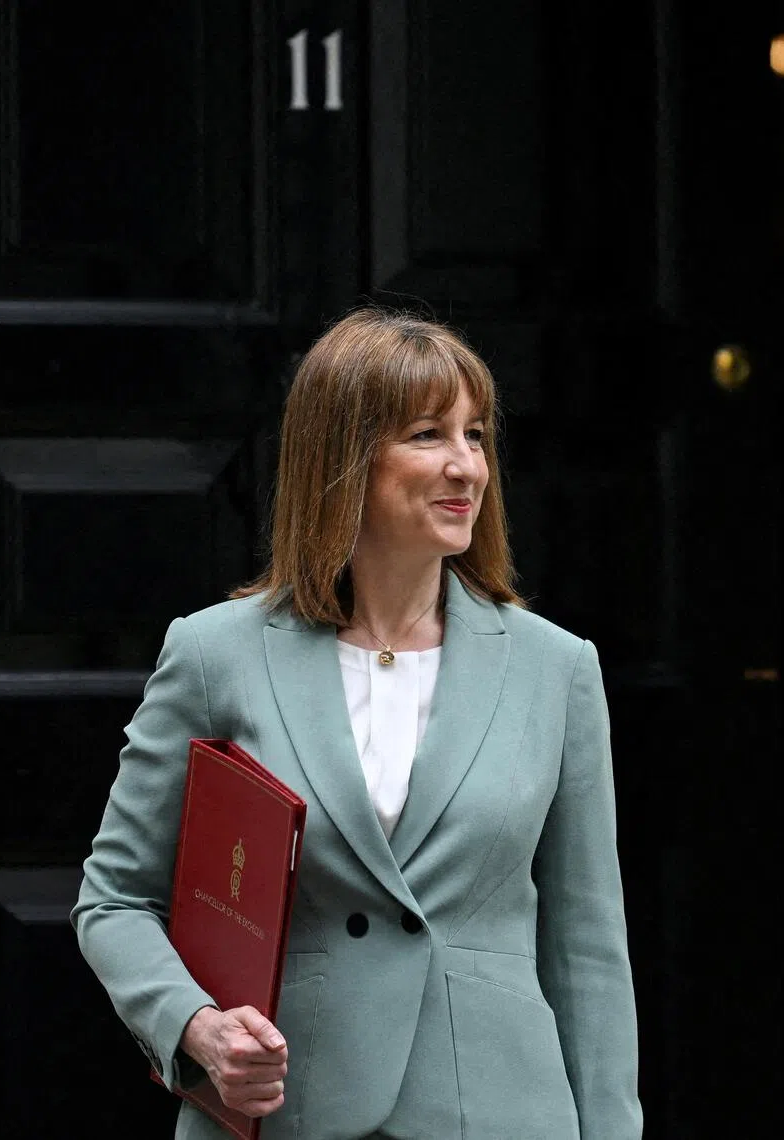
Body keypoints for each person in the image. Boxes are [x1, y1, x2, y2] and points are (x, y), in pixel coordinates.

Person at [71, 308, 642, 1140]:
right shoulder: (213, 655)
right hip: (290, 1114)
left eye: (475, 435)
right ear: (343, 461)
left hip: (501, 1115)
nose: (466, 467)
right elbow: (115, 898)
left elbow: (589, 948)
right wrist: (195, 1027)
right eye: (427, 434)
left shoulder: (555, 669)